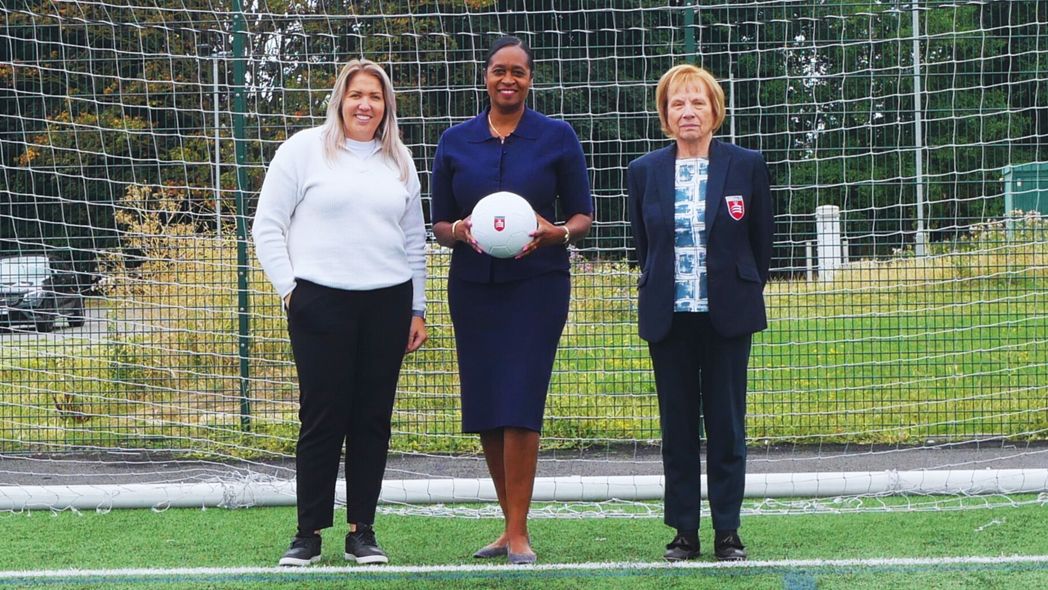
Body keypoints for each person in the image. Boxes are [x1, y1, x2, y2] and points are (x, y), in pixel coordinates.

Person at [252, 58, 428, 567]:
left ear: (386, 106)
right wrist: (291, 290)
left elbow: (414, 241)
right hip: (320, 302)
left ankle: (362, 532)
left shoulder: (399, 160)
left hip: (387, 303)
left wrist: (417, 307)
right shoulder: (303, 150)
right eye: (356, 95)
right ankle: (308, 533)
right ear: (340, 100)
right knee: (322, 417)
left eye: (375, 96)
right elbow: (268, 226)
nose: (365, 105)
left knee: (372, 419)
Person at [430, 36, 593, 565]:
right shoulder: (455, 141)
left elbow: (583, 216)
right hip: (474, 289)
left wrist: (557, 234)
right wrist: (458, 229)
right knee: (487, 406)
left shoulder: (557, 137)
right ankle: (507, 524)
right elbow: (438, 224)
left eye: (518, 72)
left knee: (521, 402)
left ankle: (519, 532)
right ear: (485, 76)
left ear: (530, 79)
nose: (508, 80)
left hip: (538, 287)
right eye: (499, 71)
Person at [627, 64, 773, 562]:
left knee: (728, 427)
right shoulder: (644, 171)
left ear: (715, 110)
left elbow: (761, 244)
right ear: (665, 116)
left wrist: (737, 290)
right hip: (670, 318)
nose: (688, 111)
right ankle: (683, 532)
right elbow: (644, 247)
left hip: (727, 316)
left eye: (697, 102)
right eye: (677, 104)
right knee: (679, 428)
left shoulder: (746, 165)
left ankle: (727, 532)